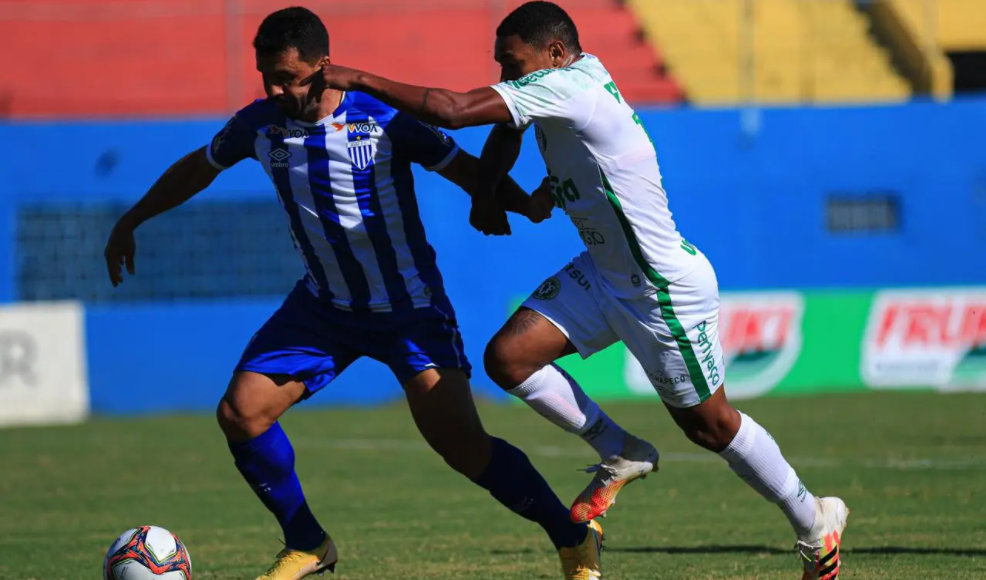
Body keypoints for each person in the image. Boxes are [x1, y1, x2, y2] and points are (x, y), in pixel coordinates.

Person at [311, 2, 850, 579]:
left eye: (511, 64)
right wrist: (487, 191)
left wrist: (359, 78)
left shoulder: (571, 87)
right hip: (602, 271)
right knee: (508, 357)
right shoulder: (554, 85)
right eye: (499, 65)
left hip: (658, 286)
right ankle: (621, 451)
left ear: (555, 54)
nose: (503, 76)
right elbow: (504, 130)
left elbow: (453, 109)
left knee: (709, 425)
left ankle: (814, 520)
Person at [103, 7, 606, 580]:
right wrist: (132, 219)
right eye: (266, 75)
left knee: (463, 448)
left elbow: (463, 167)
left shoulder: (384, 119)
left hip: (409, 309)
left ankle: (573, 538)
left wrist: (518, 202)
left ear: (323, 68)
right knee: (242, 414)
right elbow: (199, 167)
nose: (275, 88)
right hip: (324, 308)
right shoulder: (259, 124)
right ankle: (308, 543)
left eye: (288, 77)